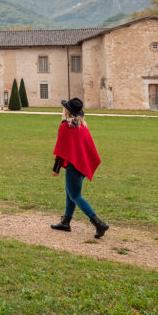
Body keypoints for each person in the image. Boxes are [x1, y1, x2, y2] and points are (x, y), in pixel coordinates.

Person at [50, 98, 109, 238]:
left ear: (67, 111)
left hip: (74, 166)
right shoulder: (82, 126)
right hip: (82, 164)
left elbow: (61, 149)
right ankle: (66, 222)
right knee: (70, 192)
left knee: (75, 195)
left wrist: (56, 169)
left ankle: (98, 223)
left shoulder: (66, 126)